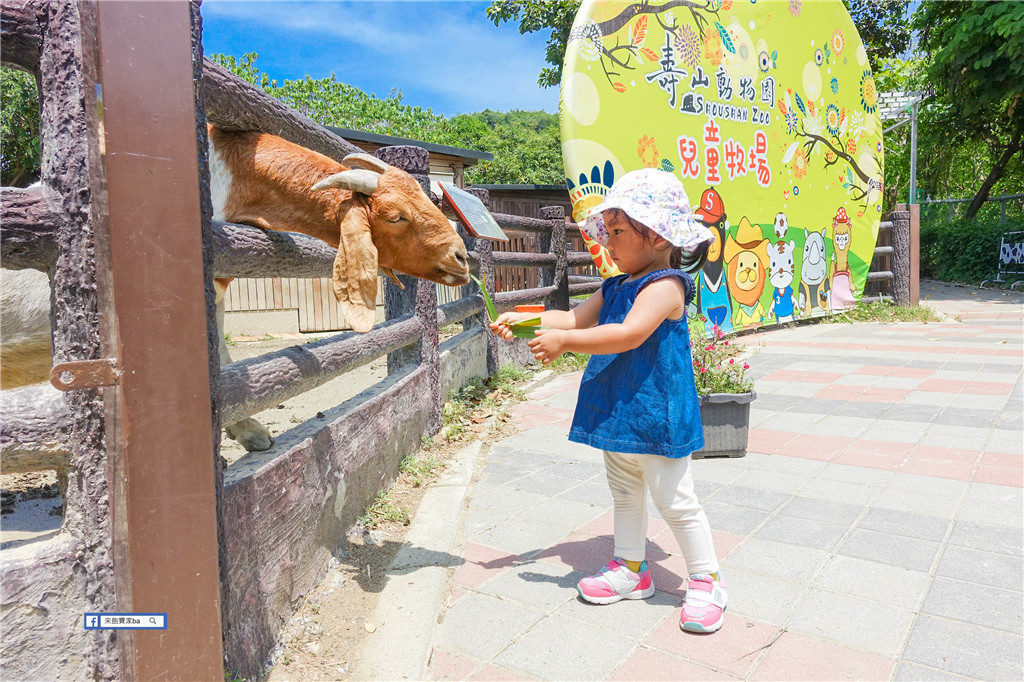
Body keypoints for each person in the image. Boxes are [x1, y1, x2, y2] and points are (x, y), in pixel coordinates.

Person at [490, 169, 728, 634]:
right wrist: (529, 319)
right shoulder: (615, 285)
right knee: (624, 493)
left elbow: (628, 333)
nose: (610, 243)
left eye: (619, 232)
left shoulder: (666, 285)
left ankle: (705, 579)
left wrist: (562, 342)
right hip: (620, 410)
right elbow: (574, 318)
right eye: (609, 232)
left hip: (658, 413)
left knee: (674, 499)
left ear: (658, 235)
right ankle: (631, 569)